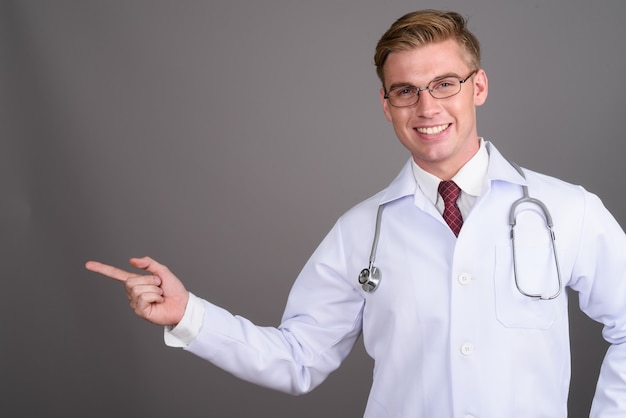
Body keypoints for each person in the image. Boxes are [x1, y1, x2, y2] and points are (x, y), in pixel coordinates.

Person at [86, 9, 626, 417]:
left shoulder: (565, 209)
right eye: (405, 91)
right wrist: (189, 315)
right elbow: (299, 358)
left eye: (444, 84)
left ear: (477, 87)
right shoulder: (360, 232)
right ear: (386, 105)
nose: (427, 107)